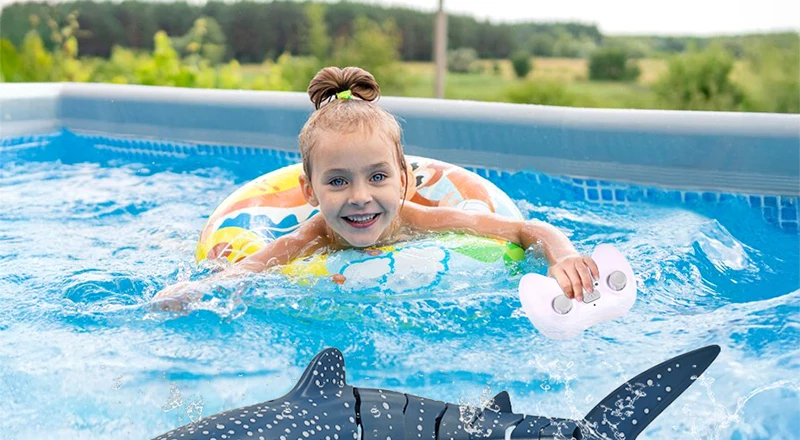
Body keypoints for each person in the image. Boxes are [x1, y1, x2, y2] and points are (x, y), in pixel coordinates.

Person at [153, 65, 597, 310]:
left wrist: (564, 258)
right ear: (309, 191)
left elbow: (527, 230)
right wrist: (192, 291)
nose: (360, 195)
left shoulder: (421, 220)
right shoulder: (310, 238)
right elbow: (245, 269)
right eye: (338, 181)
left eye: (378, 176)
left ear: (404, 178)